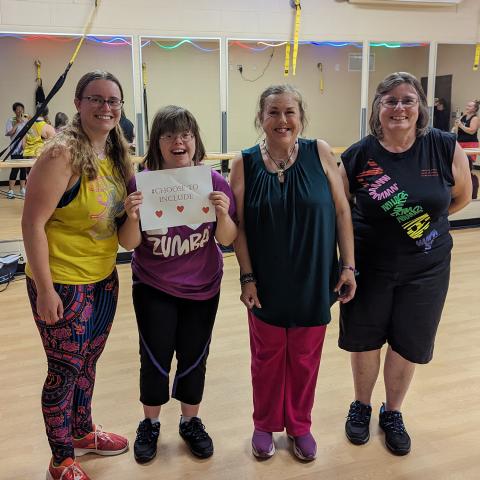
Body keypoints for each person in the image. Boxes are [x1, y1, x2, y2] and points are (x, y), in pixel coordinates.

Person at [339, 72, 471, 457]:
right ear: (378, 108)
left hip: (427, 267)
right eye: (390, 100)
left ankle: (392, 413)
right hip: (369, 263)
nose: (399, 108)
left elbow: (461, 197)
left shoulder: (446, 147)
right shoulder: (359, 155)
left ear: (420, 107)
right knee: (365, 339)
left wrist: (421, 227)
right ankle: (361, 405)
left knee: (408, 341)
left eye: (407, 100)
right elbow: (342, 208)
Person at [230, 84, 356, 461]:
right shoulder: (245, 162)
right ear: (261, 118)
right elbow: (238, 227)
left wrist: (348, 265)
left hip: (315, 276)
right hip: (265, 280)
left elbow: (342, 212)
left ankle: (300, 425)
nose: (282, 120)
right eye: (273, 112)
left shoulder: (319, 151)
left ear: (300, 118)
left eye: (290, 112)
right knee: (266, 358)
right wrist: (247, 277)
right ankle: (264, 424)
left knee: (305, 358)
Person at [22, 70, 132, 480]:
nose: (106, 107)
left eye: (113, 101)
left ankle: (83, 430)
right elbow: (32, 223)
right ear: (78, 103)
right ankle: (61, 457)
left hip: (103, 279)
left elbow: (119, 226)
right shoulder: (60, 153)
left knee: (88, 364)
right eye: (97, 99)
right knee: (64, 370)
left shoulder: (117, 153)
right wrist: (45, 290)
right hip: (63, 283)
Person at [118, 105, 237, 463]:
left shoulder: (213, 182)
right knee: (154, 357)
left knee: (194, 355)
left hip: (204, 286)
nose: (178, 141)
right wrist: (133, 215)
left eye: (185, 134)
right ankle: (150, 425)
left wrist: (221, 212)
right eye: (169, 135)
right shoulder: (142, 183)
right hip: (154, 285)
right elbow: (128, 243)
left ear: (195, 140)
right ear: (157, 142)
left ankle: (190, 421)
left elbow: (229, 238)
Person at [455, 99, 479, 199]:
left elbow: (472, 131)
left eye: (470, 106)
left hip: (470, 144)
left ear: (475, 109)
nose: (467, 107)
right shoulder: (463, 116)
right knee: (459, 167)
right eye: (467, 105)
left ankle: (470, 189)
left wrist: (461, 125)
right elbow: (457, 129)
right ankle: (459, 189)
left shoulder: (475, 118)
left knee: (467, 166)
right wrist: (456, 126)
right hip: (460, 142)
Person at [5, 101, 28, 198]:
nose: (20, 111)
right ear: (14, 111)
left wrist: (26, 144)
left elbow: (28, 133)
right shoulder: (11, 120)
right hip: (15, 149)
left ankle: (22, 189)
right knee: (15, 169)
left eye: (21, 109)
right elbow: (8, 133)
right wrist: (16, 124)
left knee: (23, 169)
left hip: (25, 148)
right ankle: (10, 190)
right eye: (18, 109)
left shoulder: (26, 120)